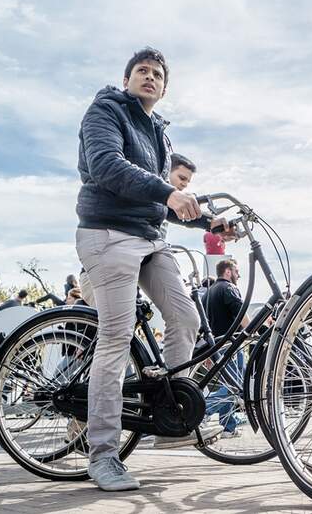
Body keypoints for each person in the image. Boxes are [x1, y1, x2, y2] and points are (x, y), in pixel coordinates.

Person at [75, 47, 234, 491]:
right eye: (141, 71)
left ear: (164, 88)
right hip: (108, 233)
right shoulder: (106, 110)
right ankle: (103, 455)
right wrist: (168, 192)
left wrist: (209, 220)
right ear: (127, 79)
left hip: (149, 238)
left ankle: (173, 416)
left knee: (185, 316)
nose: (149, 78)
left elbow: (161, 203)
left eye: (157, 74)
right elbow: (108, 167)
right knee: (116, 337)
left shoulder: (160, 134)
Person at [201, 259, 247, 438]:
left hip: (214, 347)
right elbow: (242, 314)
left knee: (228, 385)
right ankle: (202, 410)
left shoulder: (208, 292)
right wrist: (256, 333)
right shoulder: (229, 288)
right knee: (233, 387)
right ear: (228, 271)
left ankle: (228, 427)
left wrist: (207, 353)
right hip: (230, 345)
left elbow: (203, 326)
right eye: (237, 271)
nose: (239, 275)